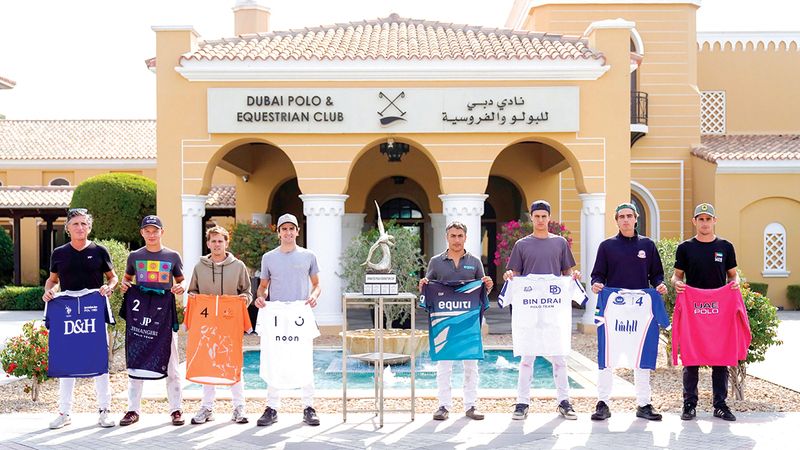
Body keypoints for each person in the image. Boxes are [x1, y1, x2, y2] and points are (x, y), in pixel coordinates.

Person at [589, 202, 668, 421]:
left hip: (640, 311)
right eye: (621, 216)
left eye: (629, 216)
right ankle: (603, 403)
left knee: (641, 355)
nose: (625, 220)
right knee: (607, 355)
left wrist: (660, 285)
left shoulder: (647, 245)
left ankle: (644, 404)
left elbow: (657, 274)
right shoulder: (607, 246)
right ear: (616, 220)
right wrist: (596, 284)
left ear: (636, 218)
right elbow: (598, 274)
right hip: (614, 310)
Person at [502, 200, 580, 420]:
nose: (540, 220)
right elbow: (516, 276)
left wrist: (573, 278)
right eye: (536, 216)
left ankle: (564, 401)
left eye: (544, 216)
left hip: (554, 310)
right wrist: (510, 276)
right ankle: (522, 403)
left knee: (559, 357)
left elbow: (567, 273)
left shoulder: (560, 243)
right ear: (531, 217)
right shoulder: (522, 245)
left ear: (549, 218)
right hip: (529, 311)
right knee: (527, 358)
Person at [43, 208, 118, 429]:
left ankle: (104, 411)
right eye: (75, 224)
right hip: (67, 312)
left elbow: (113, 277)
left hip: (93, 312)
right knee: (67, 361)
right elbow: (52, 280)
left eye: (84, 224)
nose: (80, 227)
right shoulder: (59, 253)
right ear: (68, 228)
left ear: (89, 227)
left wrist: (109, 287)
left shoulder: (100, 251)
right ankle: (64, 412)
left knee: (99, 361)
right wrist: (49, 291)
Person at [671, 203, 740, 422]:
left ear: (714, 221)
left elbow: (733, 275)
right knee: (691, 357)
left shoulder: (725, 247)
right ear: (694, 222)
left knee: (721, 357)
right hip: (694, 310)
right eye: (700, 219)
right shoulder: (685, 248)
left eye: (708, 219)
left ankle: (720, 405)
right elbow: (677, 276)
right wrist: (676, 283)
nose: (704, 223)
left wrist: (735, 283)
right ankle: (689, 404)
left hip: (719, 311)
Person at [418, 221, 493, 421]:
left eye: (460, 236)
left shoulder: (475, 262)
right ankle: (443, 406)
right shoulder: (436, 262)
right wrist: (423, 286)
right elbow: (428, 289)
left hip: (469, 325)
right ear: (447, 237)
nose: (457, 240)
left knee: (471, 367)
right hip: (444, 323)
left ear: (465, 237)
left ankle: (471, 406)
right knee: (444, 366)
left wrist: (488, 285)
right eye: (453, 236)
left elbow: (482, 292)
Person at [253, 213, 321, 427]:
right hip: (277, 315)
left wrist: (314, 296)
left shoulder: (308, 256)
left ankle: (309, 407)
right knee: (275, 357)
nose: (288, 232)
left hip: (300, 314)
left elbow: (317, 284)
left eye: (292, 228)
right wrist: (261, 298)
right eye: (284, 229)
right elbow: (263, 287)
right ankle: (272, 408)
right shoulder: (269, 258)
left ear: (297, 232)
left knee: (304, 357)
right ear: (279, 232)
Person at [118, 215, 186, 426]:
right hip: (140, 318)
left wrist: (181, 287)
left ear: (161, 232)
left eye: (155, 230)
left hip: (164, 317)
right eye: (147, 230)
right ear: (142, 233)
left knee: (172, 365)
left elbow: (181, 280)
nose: (151, 234)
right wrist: (124, 286)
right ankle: (132, 410)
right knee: (136, 362)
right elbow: (127, 279)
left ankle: (176, 409)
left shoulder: (172, 256)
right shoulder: (134, 256)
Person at [187, 226, 253, 425]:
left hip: (229, 323)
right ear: (208, 244)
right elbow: (193, 290)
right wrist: (193, 297)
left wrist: (245, 299)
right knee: (207, 362)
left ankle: (239, 407)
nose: (217, 244)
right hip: (206, 323)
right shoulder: (199, 267)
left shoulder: (238, 266)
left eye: (220, 241)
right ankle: (207, 407)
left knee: (233, 362)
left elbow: (247, 292)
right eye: (213, 241)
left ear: (226, 243)